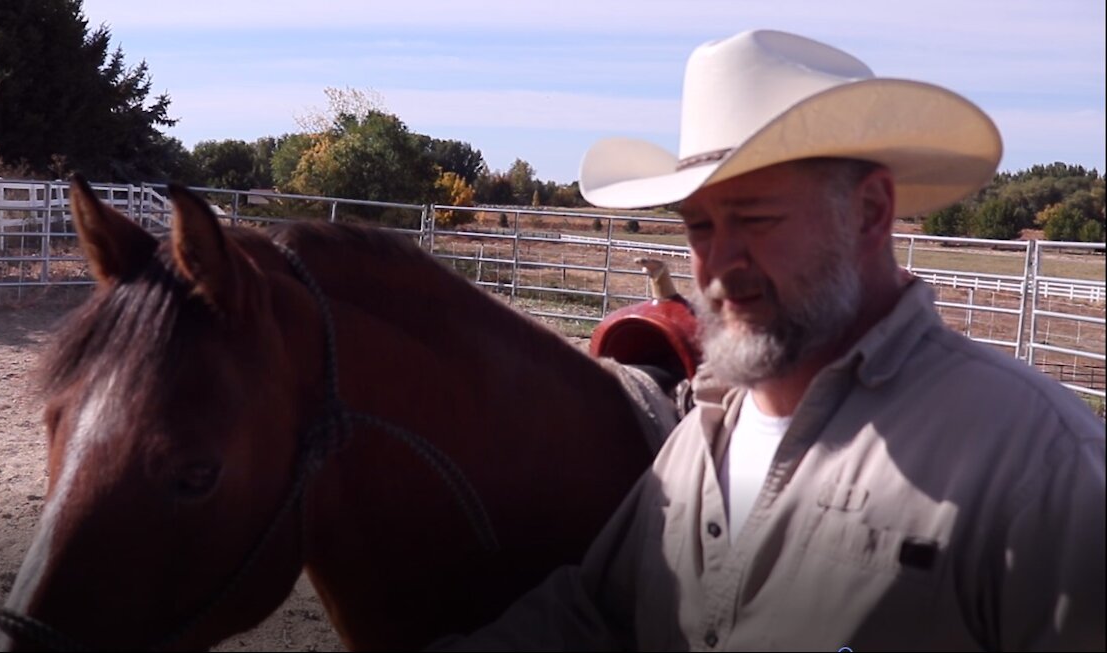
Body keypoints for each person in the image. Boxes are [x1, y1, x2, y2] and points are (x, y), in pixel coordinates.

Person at [432, 29, 1105, 651]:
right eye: (698, 227)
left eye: (755, 218)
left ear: (869, 212)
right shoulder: (699, 444)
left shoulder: (1038, 466)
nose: (718, 264)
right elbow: (597, 617)